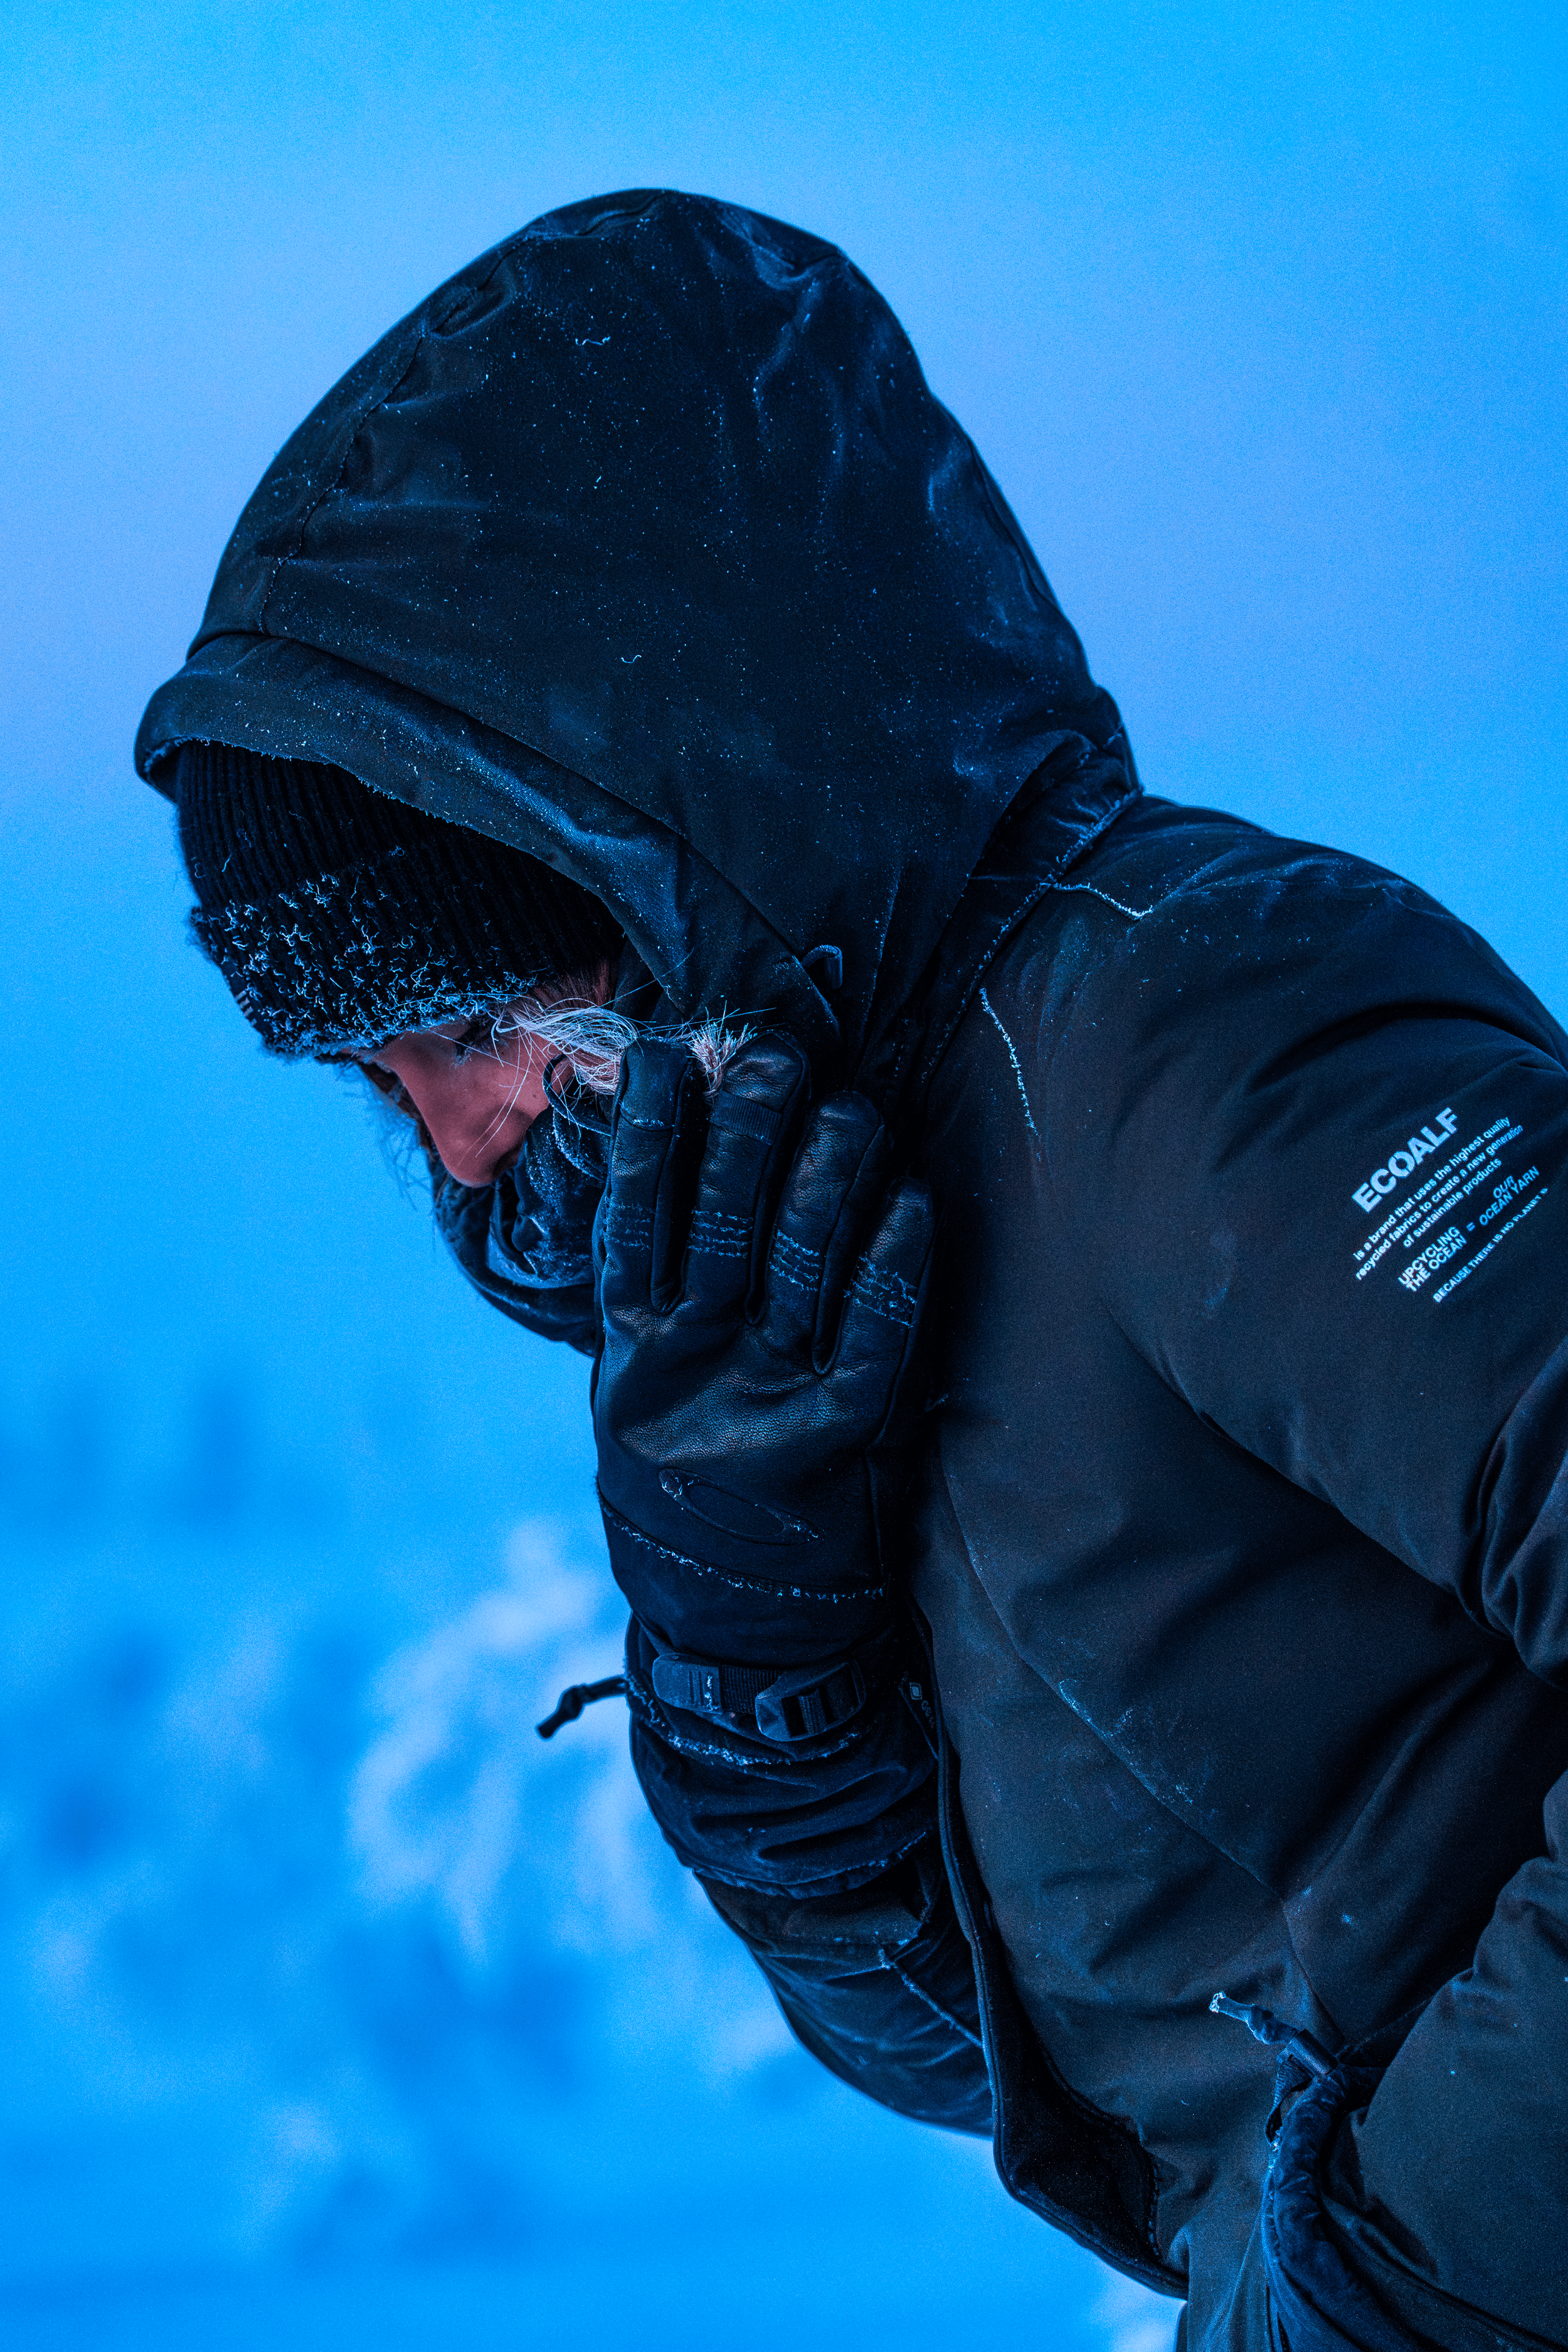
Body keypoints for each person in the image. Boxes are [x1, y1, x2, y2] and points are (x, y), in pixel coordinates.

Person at [136, 191, 1568, 2351]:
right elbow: (999, 2062)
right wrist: (749, 1644)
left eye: (467, 1021)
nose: (457, 1147)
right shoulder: (802, 1246)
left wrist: (1393, 2277)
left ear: (680, 815)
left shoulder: (1195, 1042)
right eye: (379, 1081)